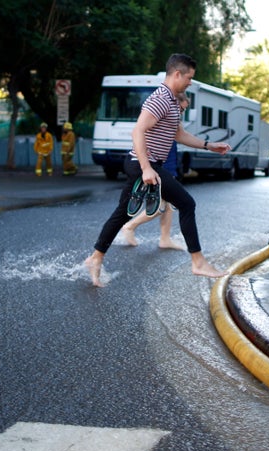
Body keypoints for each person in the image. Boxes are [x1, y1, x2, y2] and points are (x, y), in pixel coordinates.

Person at [85, 53, 230, 287]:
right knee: (186, 203)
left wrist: (209, 145)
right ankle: (198, 262)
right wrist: (146, 168)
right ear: (177, 74)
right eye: (189, 78)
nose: (190, 83)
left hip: (149, 165)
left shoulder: (172, 100)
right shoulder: (160, 98)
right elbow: (138, 131)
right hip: (145, 164)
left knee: (123, 213)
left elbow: (178, 134)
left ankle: (95, 258)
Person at [121, 92, 189, 250]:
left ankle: (165, 238)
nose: (181, 113)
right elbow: (142, 135)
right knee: (160, 205)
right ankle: (130, 226)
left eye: (183, 110)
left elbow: (179, 135)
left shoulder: (172, 119)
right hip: (160, 164)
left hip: (168, 161)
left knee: (169, 204)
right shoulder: (162, 113)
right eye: (181, 108)